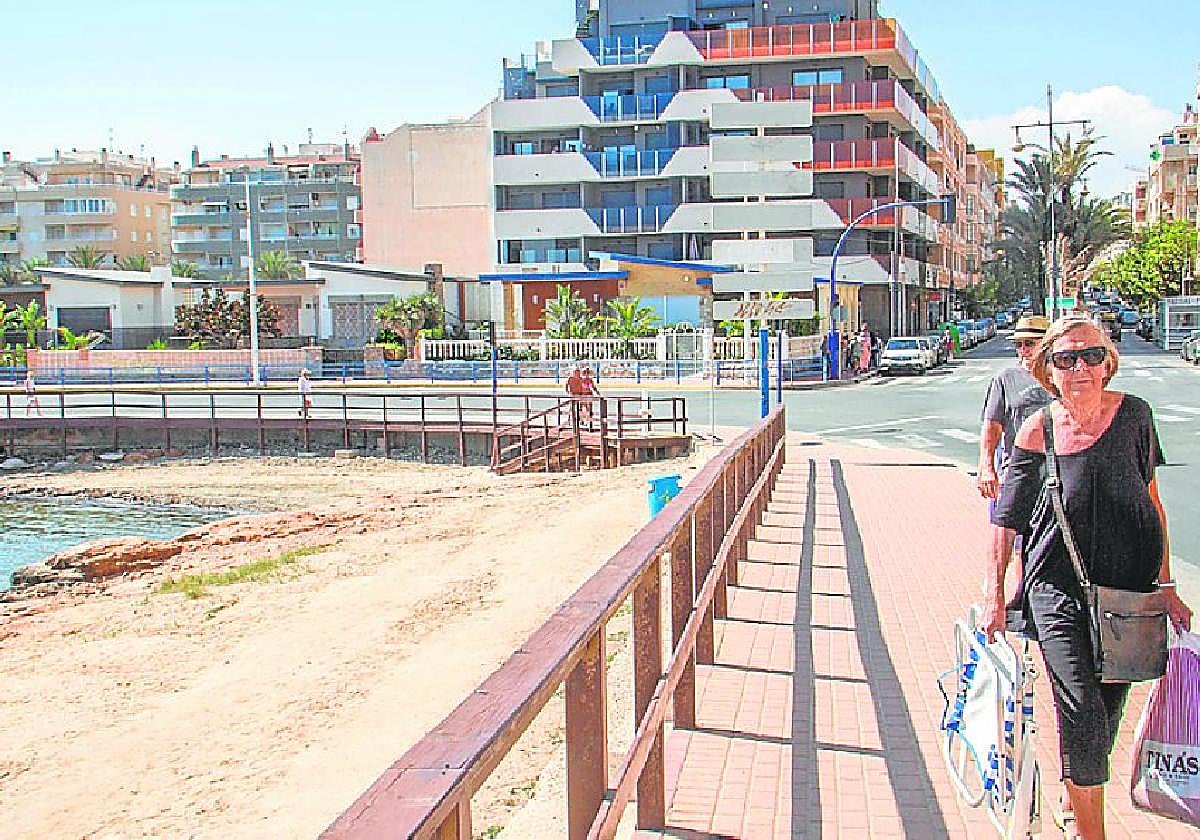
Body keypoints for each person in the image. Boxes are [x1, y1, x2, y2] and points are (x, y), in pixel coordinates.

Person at [984, 316, 1192, 840]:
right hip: (1056, 590)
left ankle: (1073, 789)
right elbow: (1006, 521)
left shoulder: (1135, 416)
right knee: (1080, 708)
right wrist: (994, 594)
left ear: (1108, 363)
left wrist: (1167, 586)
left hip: (1130, 591)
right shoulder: (1038, 429)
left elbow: (1154, 502)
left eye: (1092, 356)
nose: (1081, 368)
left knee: (1107, 708)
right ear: (1048, 369)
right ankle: (1090, 831)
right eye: (1066, 358)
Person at [977, 315, 1052, 503]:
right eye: (1018, 345)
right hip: (1018, 469)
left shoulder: (1062, 376)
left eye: (1029, 343)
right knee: (1009, 529)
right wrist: (986, 467)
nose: (1023, 350)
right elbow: (992, 425)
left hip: (1058, 468)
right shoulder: (1005, 379)